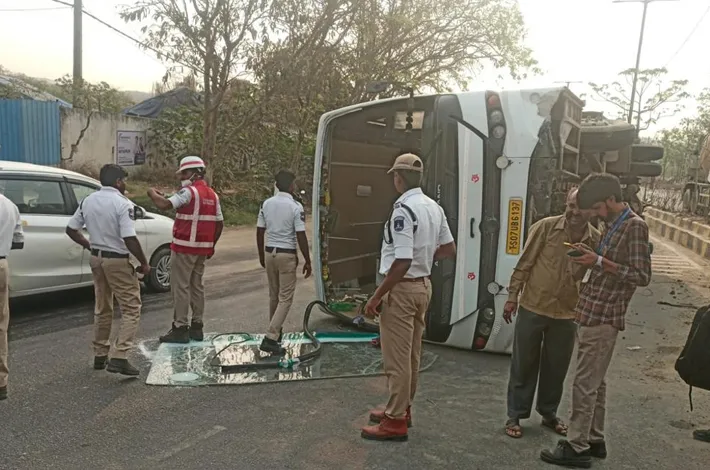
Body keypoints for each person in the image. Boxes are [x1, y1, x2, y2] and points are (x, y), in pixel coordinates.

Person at [540, 173, 652, 468]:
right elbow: (611, 264)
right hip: (592, 310)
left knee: (584, 384)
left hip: (606, 314)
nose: (594, 214)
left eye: (597, 208)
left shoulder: (634, 226)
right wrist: (593, 255)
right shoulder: (612, 223)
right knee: (595, 382)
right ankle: (594, 438)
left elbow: (641, 275)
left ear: (612, 199)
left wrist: (599, 261)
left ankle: (577, 446)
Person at [360, 153, 456, 442]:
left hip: (401, 291)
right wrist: (426, 260)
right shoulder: (434, 207)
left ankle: (394, 421)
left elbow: (401, 261)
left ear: (398, 178)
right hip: (422, 286)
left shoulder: (403, 210)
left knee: (397, 359)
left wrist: (376, 296)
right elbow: (449, 249)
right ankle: (402, 408)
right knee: (411, 355)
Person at [504, 188, 600, 439]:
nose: (573, 212)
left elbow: (593, 276)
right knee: (523, 364)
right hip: (534, 305)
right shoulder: (546, 228)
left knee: (556, 367)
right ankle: (515, 414)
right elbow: (525, 263)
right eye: (570, 205)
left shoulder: (595, 239)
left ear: (592, 210)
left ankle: (548, 413)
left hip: (567, 312)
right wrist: (512, 296)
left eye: (579, 207)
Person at [66, 164, 151, 377]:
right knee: (131, 307)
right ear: (118, 181)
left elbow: (71, 229)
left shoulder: (88, 200)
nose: (125, 184)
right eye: (124, 180)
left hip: (97, 259)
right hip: (117, 261)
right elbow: (129, 238)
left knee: (103, 306)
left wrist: (90, 246)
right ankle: (120, 356)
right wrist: (144, 262)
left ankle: (100, 354)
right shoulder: (122, 203)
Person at [147, 156, 224, 343]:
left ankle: (180, 328)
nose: (181, 176)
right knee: (197, 286)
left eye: (184, 172)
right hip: (202, 250)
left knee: (180, 287)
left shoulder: (188, 192)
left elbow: (164, 205)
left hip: (184, 247)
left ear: (196, 173)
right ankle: (197, 327)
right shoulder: (212, 195)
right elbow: (219, 223)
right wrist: (211, 245)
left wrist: (151, 193)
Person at [256, 170, 312, 355]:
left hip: (269, 253)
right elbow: (300, 235)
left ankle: (275, 333)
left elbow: (259, 231)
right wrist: (307, 260)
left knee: (274, 296)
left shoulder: (266, 204)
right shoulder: (295, 206)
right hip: (286, 255)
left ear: (276, 185)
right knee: (285, 299)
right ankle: (271, 337)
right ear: (291, 186)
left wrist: (261, 255)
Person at [0, 192, 24, 401]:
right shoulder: (9, 205)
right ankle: (1, 382)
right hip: (1, 264)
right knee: (1, 325)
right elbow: (18, 241)